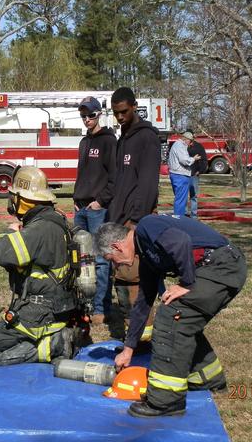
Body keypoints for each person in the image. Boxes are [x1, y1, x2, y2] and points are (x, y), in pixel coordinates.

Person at [95, 215, 247, 417]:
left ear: (117, 247)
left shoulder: (147, 226)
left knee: (172, 317)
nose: (116, 267)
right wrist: (129, 348)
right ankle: (208, 380)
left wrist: (186, 283)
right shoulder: (146, 253)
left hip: (221, 265)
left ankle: (165, 402)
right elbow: (143, 303)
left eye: (111, 260)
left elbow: (180, 241)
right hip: (220, 265)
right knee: (184, 320)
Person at [0, 166, 77, 366]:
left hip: (39, 311)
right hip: (59, 306)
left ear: (23, 200)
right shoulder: (55, 220)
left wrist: (9, 232)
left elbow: (3, 253)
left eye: (14, 196)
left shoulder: (40, 228)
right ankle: (54, 338)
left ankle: (53, 346)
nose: (12, 201)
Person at [107, 87, 162, 335]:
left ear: (134, 106)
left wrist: (136, 221)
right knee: (121, 279)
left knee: (135, 279)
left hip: (135, 221)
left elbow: (148, 182)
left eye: (124, 112)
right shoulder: (123, 139)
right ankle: (130, 332)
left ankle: (142, 336)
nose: (119, 117)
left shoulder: (147, 138)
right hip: (118, 220)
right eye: (116, 113)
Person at [73, 96, 117, 325]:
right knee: (79, 259)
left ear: (99, 114)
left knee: (101, 261)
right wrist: (76, 198)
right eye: (83, 116)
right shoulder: (83, 142)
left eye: (91, 115)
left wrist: (100, 201)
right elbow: (82, 174)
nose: (87, 119)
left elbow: (114, 177)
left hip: (97, 209)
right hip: (80, 208)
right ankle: (83, 306)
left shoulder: (109, 141)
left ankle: (101, 308)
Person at [168, 131, 201, 216]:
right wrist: (194, 159)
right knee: (181, 200)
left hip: (177, 174)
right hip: (180, 176)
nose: (191, 144)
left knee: (180, 199)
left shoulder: (177, 145)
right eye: (191, 141)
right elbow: (184, 160)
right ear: (186, 139)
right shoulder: (180, 146)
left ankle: (179, 218)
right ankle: (178, 219)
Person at [187, 136, 208, 218]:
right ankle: (184, 214)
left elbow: (204, 160)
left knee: (193, 195)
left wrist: (200, 171)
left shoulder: (199, 147)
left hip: (194, 174)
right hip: (184, 174)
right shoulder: (183, 147)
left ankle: (194, 215)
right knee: (184, 195)